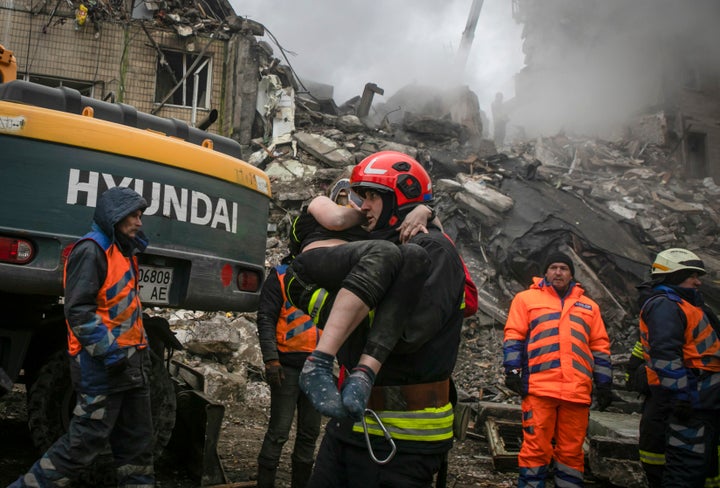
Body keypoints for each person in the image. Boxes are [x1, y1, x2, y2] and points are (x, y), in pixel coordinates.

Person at [304, 151, 467, 487]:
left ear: (401, 198)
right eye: (362, 196)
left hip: (403, 439)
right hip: (349, 424)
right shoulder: (378, 248)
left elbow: (406, 335)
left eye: (373, 196)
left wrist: (320, 303)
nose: (363, 206)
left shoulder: (435, 251)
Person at [10, 186, 154, 487]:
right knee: (81, 446)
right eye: (134, 215)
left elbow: (124, 310)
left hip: (132, 367)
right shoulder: (91, 250)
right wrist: (111, 354)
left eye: (141, 216)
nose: (139, 222)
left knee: (137, 448)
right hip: (103, 367)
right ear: (114, 216)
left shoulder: (124, 250)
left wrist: (140, 356)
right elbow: (79, 312)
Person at [286, 177, 434, 420]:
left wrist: (423, 210)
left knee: (415, 255)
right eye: (348, 195)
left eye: (366, 198)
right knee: (385, 250)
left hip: (351, 278)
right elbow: (336, 219)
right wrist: (363, 214)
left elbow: (427, 227)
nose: (358, 203)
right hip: (310, 270)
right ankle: (318, 363)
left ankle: (365, 373)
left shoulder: (375, 233)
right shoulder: (322, 205)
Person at [503, 251, 612, 488]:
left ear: (571, 273)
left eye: (564, 268)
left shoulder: (589, 307)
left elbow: (600, 346)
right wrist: (512, 371)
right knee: (535, 450)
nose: (558, 272)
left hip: (577, 391)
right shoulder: (526, 299)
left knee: (571, 454)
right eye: (553, 267)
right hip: (540, 389)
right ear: (545, 272)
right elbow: (514, 336)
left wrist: (604, 382)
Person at [636, 248, 720, 488]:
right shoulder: (665, 305)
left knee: (700, 470)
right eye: (691, 275)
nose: (697, 281)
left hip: (703, 402)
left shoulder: (686, 306)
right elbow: (665, 355)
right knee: (685, 473)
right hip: (691, 403)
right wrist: (680, 395)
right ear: (672, 276)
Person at [255, 262, 323, 488]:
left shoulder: (331, 272)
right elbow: (266, 317)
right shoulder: (281, 275)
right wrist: (271, 359)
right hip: (287, 366)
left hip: (319, 366)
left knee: (310, 433)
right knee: (278, 431)